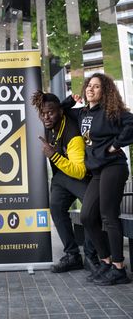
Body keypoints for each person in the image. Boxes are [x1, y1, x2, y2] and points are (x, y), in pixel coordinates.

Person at [66, 73, 133, 285]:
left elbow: (132, 123)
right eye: (89, 86)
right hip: (97, 170)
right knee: (87, 216)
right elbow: (61, 109)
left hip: (114, 166)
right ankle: (105, 262)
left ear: (105, 91)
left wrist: (116, 145)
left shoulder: (112, 111)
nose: (91, 89)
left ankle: (119, 268)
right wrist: (71, 100)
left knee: (108, 215)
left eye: (96, 87)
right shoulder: (83, 113)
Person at [31, 90, 98, 273]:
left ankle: (92, 256)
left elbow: (79, 171)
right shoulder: (51, 117)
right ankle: (72, 256)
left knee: (91, 211)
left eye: (50, 113)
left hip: (82, 178)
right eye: (43, 113)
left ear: (60, 112)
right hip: (61, 177)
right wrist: (68, 101)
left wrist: (54, 155)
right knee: (56, 207)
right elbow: (59, 106)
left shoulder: (72, 134)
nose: (46, 117)